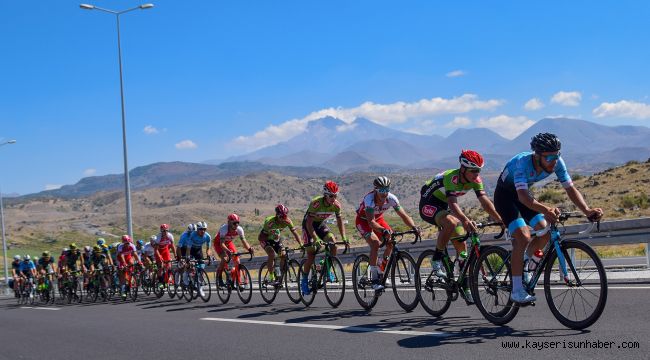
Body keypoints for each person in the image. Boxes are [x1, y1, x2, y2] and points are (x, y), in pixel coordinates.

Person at [494, 132, 604, 303]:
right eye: (549, 157)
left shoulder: (557, 162)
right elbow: (522, 197)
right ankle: (516, 290)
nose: (554, 160)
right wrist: (546, 208)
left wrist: (587, 210)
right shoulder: (522, 164)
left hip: (524, 195)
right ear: (537, 156)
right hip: (506, 197)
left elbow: (570, 189)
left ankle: (523, 262)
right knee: (523, 237)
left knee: (544, 230)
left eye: (557, 154)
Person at [418, 150, 504, 303]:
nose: (476, 174)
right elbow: (452, 203)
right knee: (452, 222)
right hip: (429, 203)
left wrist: (500, 219)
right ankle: (436, 258)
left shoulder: (476, 180)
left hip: (444, 205)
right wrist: (465, 220)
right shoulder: (452, 177)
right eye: (473, 171)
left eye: (479, 170)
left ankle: (464, 286)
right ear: (463, 168)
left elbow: (484, 202)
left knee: (462, 249)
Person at [356, 176, 420, 290]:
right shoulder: (369, 199)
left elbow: (404, 216)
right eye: (381, 190)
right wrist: (383, 230)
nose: (384, 193)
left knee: (391, 242)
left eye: (387, 190)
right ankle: (375, 279)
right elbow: (371, 222)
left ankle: (381, 267)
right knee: (375, 244)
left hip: (379, 219)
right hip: (364, 221)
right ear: (376, 190)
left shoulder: (392, 199)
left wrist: (414, 227)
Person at [300, 181, 348, 295]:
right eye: (331, 196)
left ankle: (326, 268)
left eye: (335, 196)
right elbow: (309, 224)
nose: (333, 198)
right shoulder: (316, 203)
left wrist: (344, 237)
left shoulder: (336, 205)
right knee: (311, 255)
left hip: (320, 225)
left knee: (333, 244)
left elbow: (340, 222)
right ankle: (304, 280)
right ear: (325, 195)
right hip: (309, 227)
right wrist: (316, 239)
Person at [258, 204, 302, 285]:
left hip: (275, 239)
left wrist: (301, 244)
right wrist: (274, 234)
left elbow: (295, 233)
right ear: (277, 215)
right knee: (271, 254)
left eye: (285, 216)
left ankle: (280, 276)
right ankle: (271, 276)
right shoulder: (270, 222)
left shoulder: (288, 221)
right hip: (265, 239)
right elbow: (264, 235)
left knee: (284, 255)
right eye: (281, 217)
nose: (283, 219)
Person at [213, 214, 253, 287]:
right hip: (219, 244)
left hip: (228, 243)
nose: (236, 225)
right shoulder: (224, 229)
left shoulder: (239, 229)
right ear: (229, 222)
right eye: (234, 223)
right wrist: (227, 251)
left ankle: (238, 282)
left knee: (237, 260)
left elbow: (244, 242)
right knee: (225, 258)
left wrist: (249, 248)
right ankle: (219, 276)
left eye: (238, 223)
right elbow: (221, 244)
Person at [185, 221, 212, 297]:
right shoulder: (192, 235)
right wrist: (188, 258)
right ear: (197, 229)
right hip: (191, 250)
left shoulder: (207, 236)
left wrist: (209, 255)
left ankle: (199, 286)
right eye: (201, 229)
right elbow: (188, 249)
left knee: (201, 267)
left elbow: (208, 248)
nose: (203, 231)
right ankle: (189, 277)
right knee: (192, 265)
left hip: (198, 251)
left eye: (204, 229)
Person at [116, 235, 141, 299]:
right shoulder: (120, 246)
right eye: (126, 243)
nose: (127, 244)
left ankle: (131, 277)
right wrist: (124, 263)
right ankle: (123, 290)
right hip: (121, 259)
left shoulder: (132, 245)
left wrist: (139, 262)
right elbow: (121, 256)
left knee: (131, 263)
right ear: (123, 242)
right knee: (123, 273)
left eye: (128, 243)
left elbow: (135, 254)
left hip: (129, 258)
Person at [153, 224, 176, 288]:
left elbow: (172, 246)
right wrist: (159, 257)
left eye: (166, 231)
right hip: (158, 252)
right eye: (163, 231)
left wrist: (175, 255)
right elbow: (156, 249)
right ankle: (160, 282)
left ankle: (166, 280)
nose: (165, 232)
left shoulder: (170, 236)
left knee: (169, 266)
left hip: (165, 251)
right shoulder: (158, 237)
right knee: (160, 266)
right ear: (161, 231)